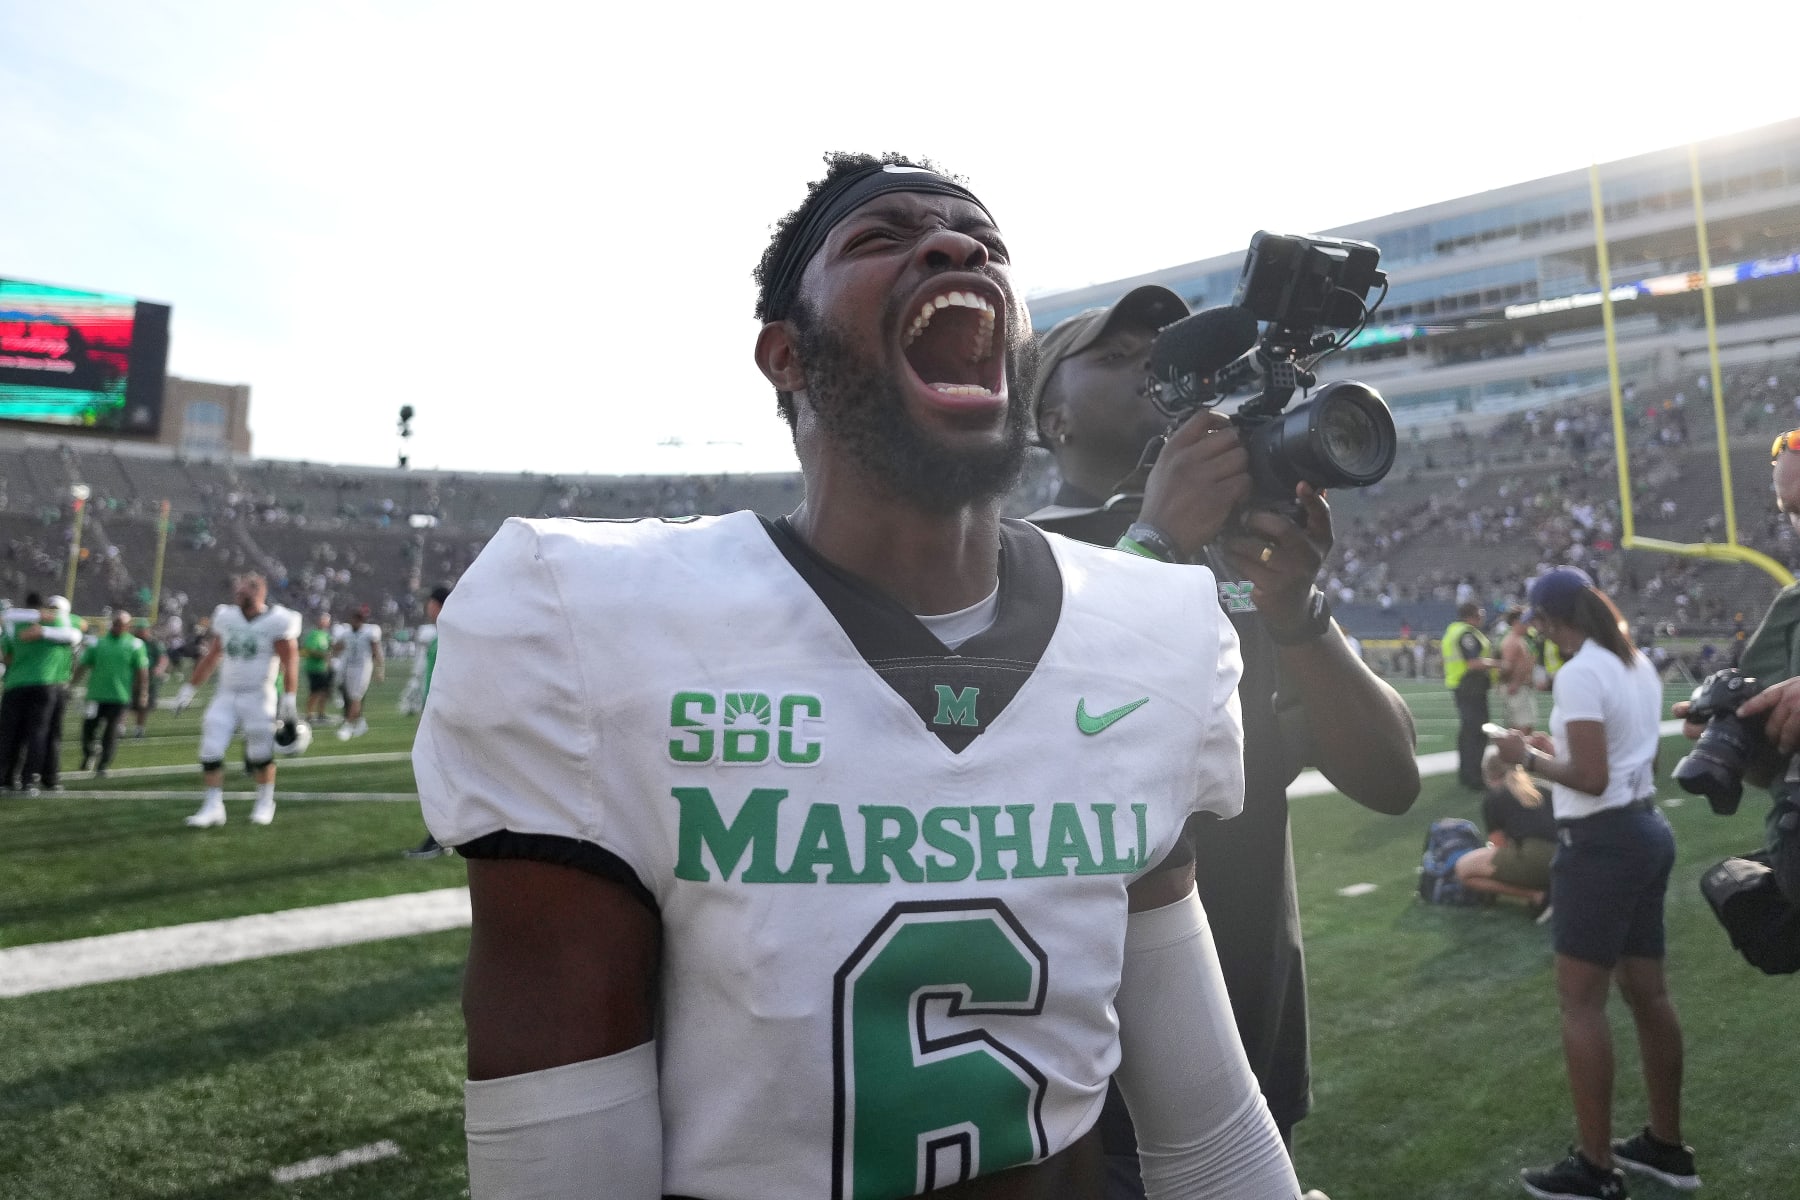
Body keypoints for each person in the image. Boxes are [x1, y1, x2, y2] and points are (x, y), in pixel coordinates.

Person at [417, 153, 1300, 1199]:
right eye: (880, 237)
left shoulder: (1150, 629)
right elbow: (562, 1166)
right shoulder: (590, 621)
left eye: (988, 244)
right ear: (786, 355)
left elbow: (1205, 1122)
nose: (959, 246)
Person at [1024, 284, 1420, 1193]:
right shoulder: (1015, 557)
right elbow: (1042, 762)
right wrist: (1156, 538)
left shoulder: (1239, 556)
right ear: (1052, 416)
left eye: (1171, 349)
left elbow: (1390, 776)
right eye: (1120, 358)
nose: (1159, 370)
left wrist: (1296, 612)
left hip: (1249, 1050)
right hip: (1083, 1087)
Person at [1493, 567, 1697, 1199]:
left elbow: (1590, 777)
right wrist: (1550, 749)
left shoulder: (1581, 670)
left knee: (1582, 1004)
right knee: (1649, 995)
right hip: (1645, 829)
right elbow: (1638, 758)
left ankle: (1596, 1167)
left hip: (1602, 844)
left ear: (1554, 623)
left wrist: (1522, 757)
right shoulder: (1634, 663)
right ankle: (1667, 1146)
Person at [172, 573, 301, 828]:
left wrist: (289, 697)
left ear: (259, 594)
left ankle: (265, 802)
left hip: (259, 694)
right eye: (238, 593)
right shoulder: (227, 617)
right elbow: (212, 655)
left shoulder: (278, 621)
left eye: (244, 594)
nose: (238, 597)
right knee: (210, 747)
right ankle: (213, 806)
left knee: (260, 751)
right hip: (227, 693)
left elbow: (290, 660)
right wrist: (189, 688)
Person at [1452, 745, 1555, 914]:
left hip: (1535, 857)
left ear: (1487, 774)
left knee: (1463, 868)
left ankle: (1538, 896)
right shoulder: (1543, 787)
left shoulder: (1495, 796)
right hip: (1566, 857)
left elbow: (1498, 845)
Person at [0, 594, 83, 796]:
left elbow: (6, 654)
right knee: (40, 733)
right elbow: (79, 630)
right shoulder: (62, 621)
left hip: (16, 683)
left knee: (10, 734)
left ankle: (7, 778)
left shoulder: (14, 622)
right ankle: (30, 779)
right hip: (48, 684)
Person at [403, 584, 452, 860]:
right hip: (435, 712)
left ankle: (441, 837)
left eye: (430, 603)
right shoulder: (439, 634)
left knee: (438, 778)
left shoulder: (452, 632)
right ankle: (443, 836)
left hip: (444, 714)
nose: (427, 608)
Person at [74, 610, 149, 778]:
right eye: (115, 623)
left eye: (120, 624)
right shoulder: (97, 643)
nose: (116, 627)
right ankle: (89, 753)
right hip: (95, 694)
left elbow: (142, 670)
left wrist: (143, 692)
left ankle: (103, 764)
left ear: (127, 626)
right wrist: (72, 683)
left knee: (111, 732)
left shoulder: (135, 645)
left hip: (119, 696)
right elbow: (83, 665)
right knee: (88, 728)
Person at [1444, 600, 1500, 790]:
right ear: (1471, 615)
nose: (1482, 617)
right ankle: (1474, 776)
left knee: (1468, 731)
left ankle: (1466, 773)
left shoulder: (1454, 631)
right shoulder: (1466, 634)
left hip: (1462, 684)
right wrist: (1498, 663)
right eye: (1480, 613)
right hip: (1470, 685)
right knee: (1477, 732)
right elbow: (1474, 662)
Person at [332, 606, 383, 740]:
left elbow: (376, 651)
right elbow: (339, 646)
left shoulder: (369, 633)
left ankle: (348, 725)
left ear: (360, 621)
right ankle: (360, 723)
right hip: (349, 666)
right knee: (350, 696)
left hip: (363, 667)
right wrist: (331, 653)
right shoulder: (347, 632)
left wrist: (379, 670)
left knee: (356, 696)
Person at [1498, 605, 1541, 734]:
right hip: (1517, 689)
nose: (1529, 624)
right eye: (1525, 621)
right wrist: (1514, 683)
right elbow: (1507, 666)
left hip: (1520, 687)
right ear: (1516, 622)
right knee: (1522, 728)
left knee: (1525, 726)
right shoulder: (1512, 641)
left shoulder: (1519, 640)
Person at [130, 618, 170, 738]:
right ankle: (120, 727)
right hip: (131, 678)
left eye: (144, 629)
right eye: (140, 630)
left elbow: (163, 657)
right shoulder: (131, 642)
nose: (142, 632)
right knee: (126, 704)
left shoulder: (154, 643)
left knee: (144, 705)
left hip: (149, 679)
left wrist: (159, 668)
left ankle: (139, 729)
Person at [300, 610, 336, 724]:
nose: (325, 623)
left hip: (323, 668)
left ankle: (321, 713)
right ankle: (309, 714)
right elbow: (310, 650)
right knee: (315, 691)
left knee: (324, 691)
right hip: (314, 667)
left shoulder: (326, 634)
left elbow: (330, 649)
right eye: (324, 620)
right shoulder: (314, 634)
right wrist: (323, 655)